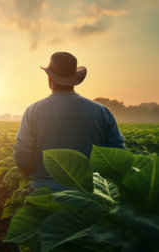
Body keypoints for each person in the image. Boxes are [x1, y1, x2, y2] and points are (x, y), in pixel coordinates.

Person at [13, 52, 125, 191]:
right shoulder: (102, 112)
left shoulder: (33, 111)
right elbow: (117, 155)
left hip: (45, 193)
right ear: (75, 80)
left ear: (49, 79)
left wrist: (37, 178)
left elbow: (22, 157)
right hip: (91, 197)